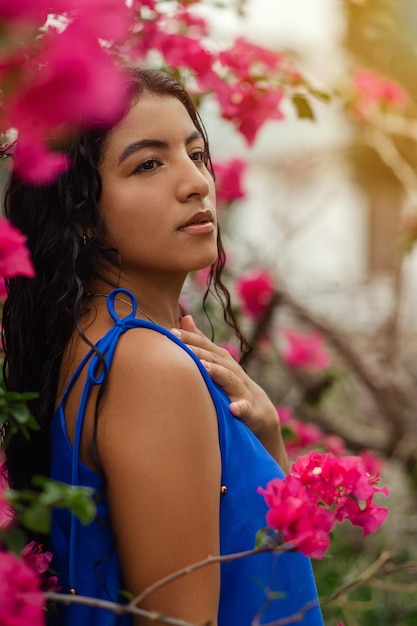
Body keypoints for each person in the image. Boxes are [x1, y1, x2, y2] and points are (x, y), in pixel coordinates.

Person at [2, 68, 324, 626]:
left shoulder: (92, 344)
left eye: (197, 154)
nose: (196, 182)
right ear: (81, 213)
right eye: (148, 164)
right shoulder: (148, 366)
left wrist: (266, 435)